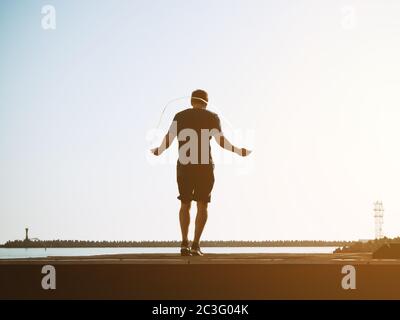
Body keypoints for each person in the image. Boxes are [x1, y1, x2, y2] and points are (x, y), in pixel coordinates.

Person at [151, 89, 251, 256]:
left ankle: (184, 243)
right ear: (206, 103)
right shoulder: (212, 117)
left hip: (184, 167)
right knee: (202, 205)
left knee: (185, 204)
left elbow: (169, 138)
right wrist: (238, 151)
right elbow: (221, 141)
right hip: (204, 168)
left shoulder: (180, 116)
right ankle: (196, 244)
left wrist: (159, 150)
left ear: (191, 101)